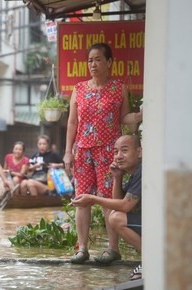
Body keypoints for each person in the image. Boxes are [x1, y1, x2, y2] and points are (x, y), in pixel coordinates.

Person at [63, 43, 143, 264]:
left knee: (109, 200)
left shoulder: (119, 88)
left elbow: (123, 118)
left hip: (110, 151)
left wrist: (137, 117)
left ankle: (112, 248)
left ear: (109, 63)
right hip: (84, 150)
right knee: (82, 199)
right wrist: (68, 152)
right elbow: (72, 122)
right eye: (90, 60)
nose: (93, 64)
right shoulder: (79, 89)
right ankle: (83, 249)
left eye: (98, 59)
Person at [71, 135, 142, 280]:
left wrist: (92, 198)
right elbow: (119, 203)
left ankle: (151, 260)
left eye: (124, 150)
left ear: (139, 152)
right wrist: (117, 177)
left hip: (168, 224)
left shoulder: (142, 170)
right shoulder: (135, 174)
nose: (119, 156)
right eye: (116, 152)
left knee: (116, 219)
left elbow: (125, 206)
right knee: (115, 216)